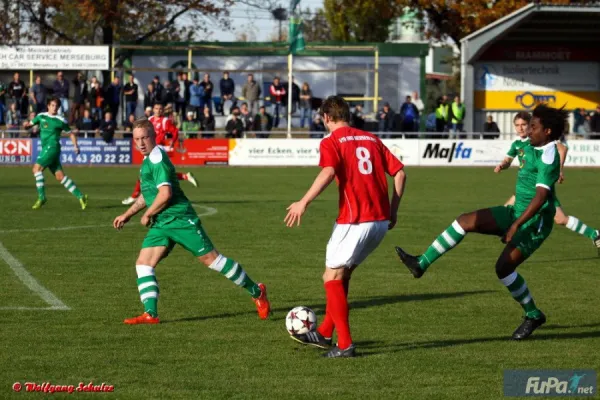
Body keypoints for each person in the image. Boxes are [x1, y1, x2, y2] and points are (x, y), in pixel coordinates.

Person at [396, 104, 568, 340]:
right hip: (515, 211)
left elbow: (540, 198)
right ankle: (421, 263)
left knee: (503, 269)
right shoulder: (527, 145)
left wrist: (516, 226)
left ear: (547, 131)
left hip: (534, 222)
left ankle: (533, 314)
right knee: (465, 221)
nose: (528, 131)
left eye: (533, 127)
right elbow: (515, 152)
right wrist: (505, 163)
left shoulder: (549, 156)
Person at [113, 119, 271, 324]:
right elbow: (149, 194)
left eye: (144, 138)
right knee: (143, 264)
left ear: (153, 136)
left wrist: (147, 214)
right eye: (137, 139)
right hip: (162, 222)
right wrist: (128, 214)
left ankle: (256, 291)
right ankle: (150, 314)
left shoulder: (157, 159)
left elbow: (165, 193)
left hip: (180, 218)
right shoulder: (147, 160)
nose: (141, 143)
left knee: (212, 260)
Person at [284, 96, 407, 357]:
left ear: (327, 117)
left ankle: (345, 344)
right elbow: (400, 173)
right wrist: (393, 210)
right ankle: (326, 332)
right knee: (342, 275)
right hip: (379, 222)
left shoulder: (331, 141)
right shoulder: (372, 139)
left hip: (355, 220)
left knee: (331, 277)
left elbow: (328, 172)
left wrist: (303, 202)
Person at [496, 112, 600, 252]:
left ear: (531, 126)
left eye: (524, 125)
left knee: (561, 219)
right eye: (517, 125)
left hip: (541, 189)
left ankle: (594, 234)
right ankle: (511, 243)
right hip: (525, 189)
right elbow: (508, 160)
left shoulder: (539, 140)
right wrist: (503, 165)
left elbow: (562, 148)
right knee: (507, 212)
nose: (520, 128)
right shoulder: (517, 144)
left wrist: (559, 169)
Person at [122, 103, 197, 205]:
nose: (158, 110)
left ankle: (136, 196)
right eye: (156, 108)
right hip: (150, 149)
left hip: (157, 149)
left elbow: (174, 131)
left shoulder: (165, 121)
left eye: (160, 109)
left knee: (146, 173)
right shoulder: (150, 120)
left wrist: (172, 143)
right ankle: (185, 176)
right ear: (153, 109)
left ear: (163, 110)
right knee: (160, 174)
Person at [22, 97, 88, 210]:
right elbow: (28, 125)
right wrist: (25, 125)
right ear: (48, 106)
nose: (54, 108)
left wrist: (75, 146)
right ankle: (81, 196)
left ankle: (42, 197)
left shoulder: (60, 120)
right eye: (52, 105)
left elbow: (71, 134)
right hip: (48, 149)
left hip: (52, 147)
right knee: (60, 177)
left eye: (56, 106)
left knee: (36, 169)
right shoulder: (41, 116)